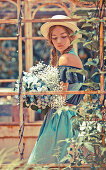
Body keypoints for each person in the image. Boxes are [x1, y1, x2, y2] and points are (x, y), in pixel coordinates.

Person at [27, 15, 85, 164]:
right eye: (55, 38)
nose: (59, 41)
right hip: (68, 115)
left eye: (63, 37)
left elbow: (62, 95)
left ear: (71, 37)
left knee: (42, 161)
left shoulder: (66, 58)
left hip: (61, 117)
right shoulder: (70, 56)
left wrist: (39, 96)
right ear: (50, 40)